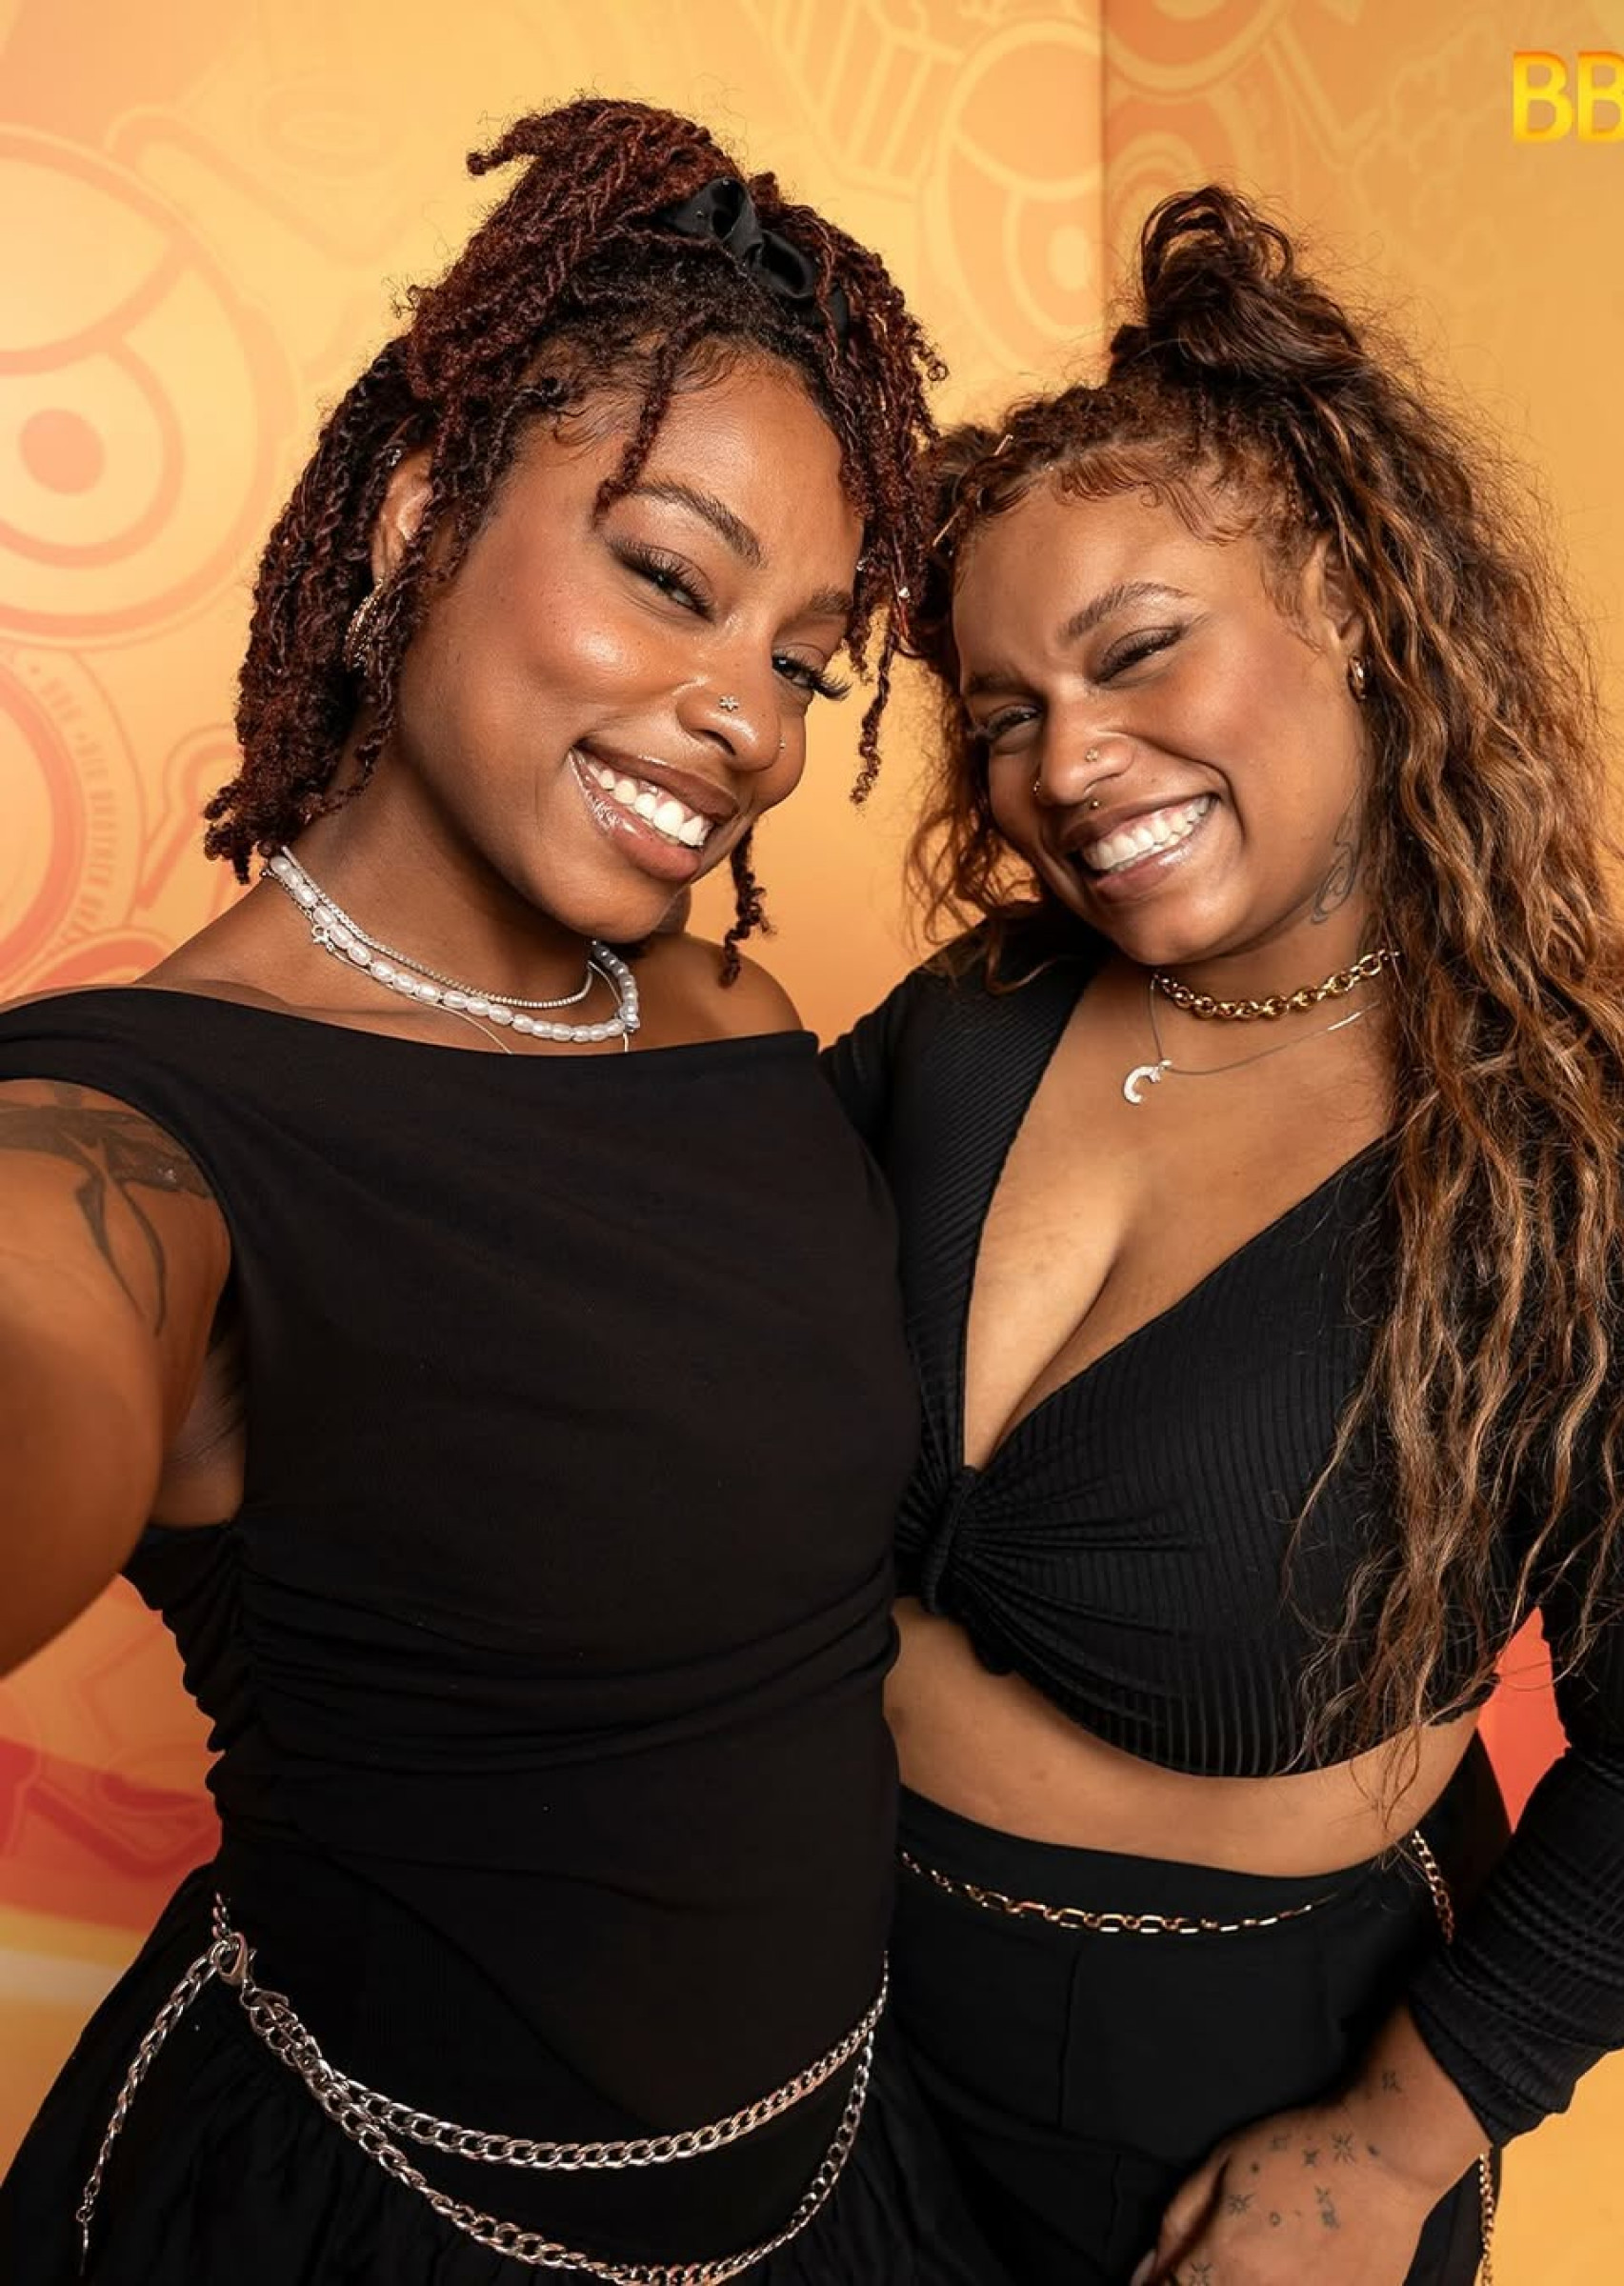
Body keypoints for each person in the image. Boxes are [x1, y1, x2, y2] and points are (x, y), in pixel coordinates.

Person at [0, 95, 1011, 2286]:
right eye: (670, 578)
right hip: (384, 2220)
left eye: (800, 658)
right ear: (423, 509)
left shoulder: (735, 1026)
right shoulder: (138, 1134)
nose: (747, 721)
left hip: (847, 2180)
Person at [826, 186, 1624, 2286]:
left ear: (1353, 603)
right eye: (1002, 713)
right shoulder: (963, 1025)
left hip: (1219, 2085)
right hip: (804, 1993)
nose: (1066, 763)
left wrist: (1385, 2154)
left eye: (1137, 651)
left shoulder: (1619, 1198)